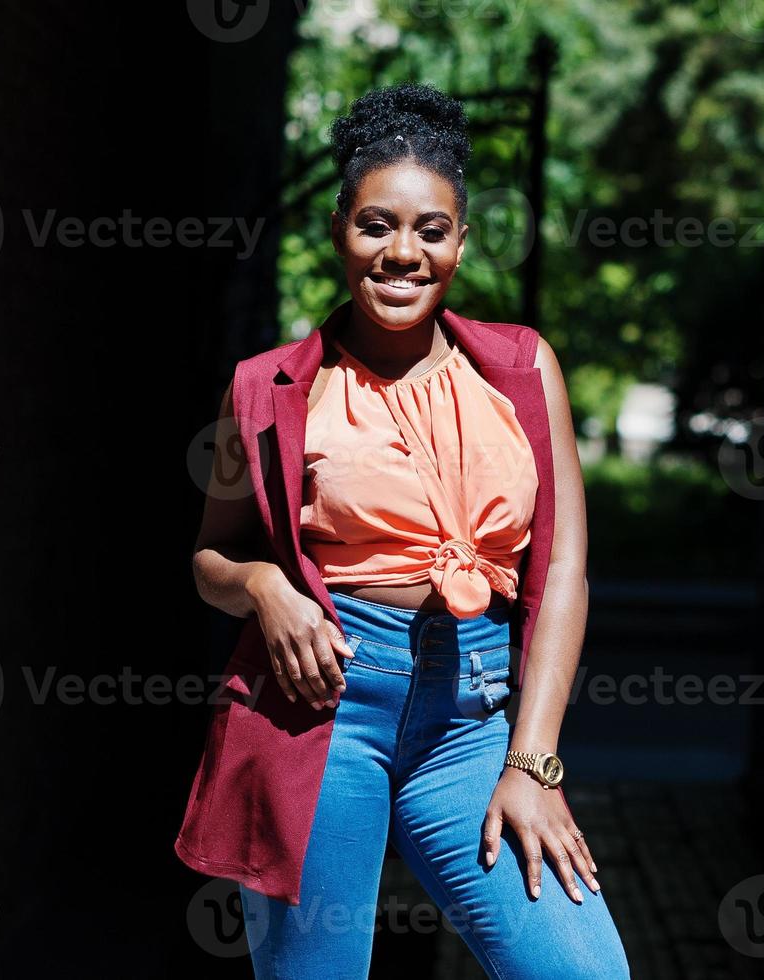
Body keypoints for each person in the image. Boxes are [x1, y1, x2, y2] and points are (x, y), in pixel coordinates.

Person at [176, 81, 632, 979]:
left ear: (461, 242)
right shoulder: (266, 390)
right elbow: (210, 556)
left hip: (475, 719)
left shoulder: (521, 367)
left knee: (582, 970)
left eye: (430, 231)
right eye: (376, 224)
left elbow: (564, 565)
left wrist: (533, 762)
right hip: (320, 712)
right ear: (339, 229)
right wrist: (264, 587)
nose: (402, 254)